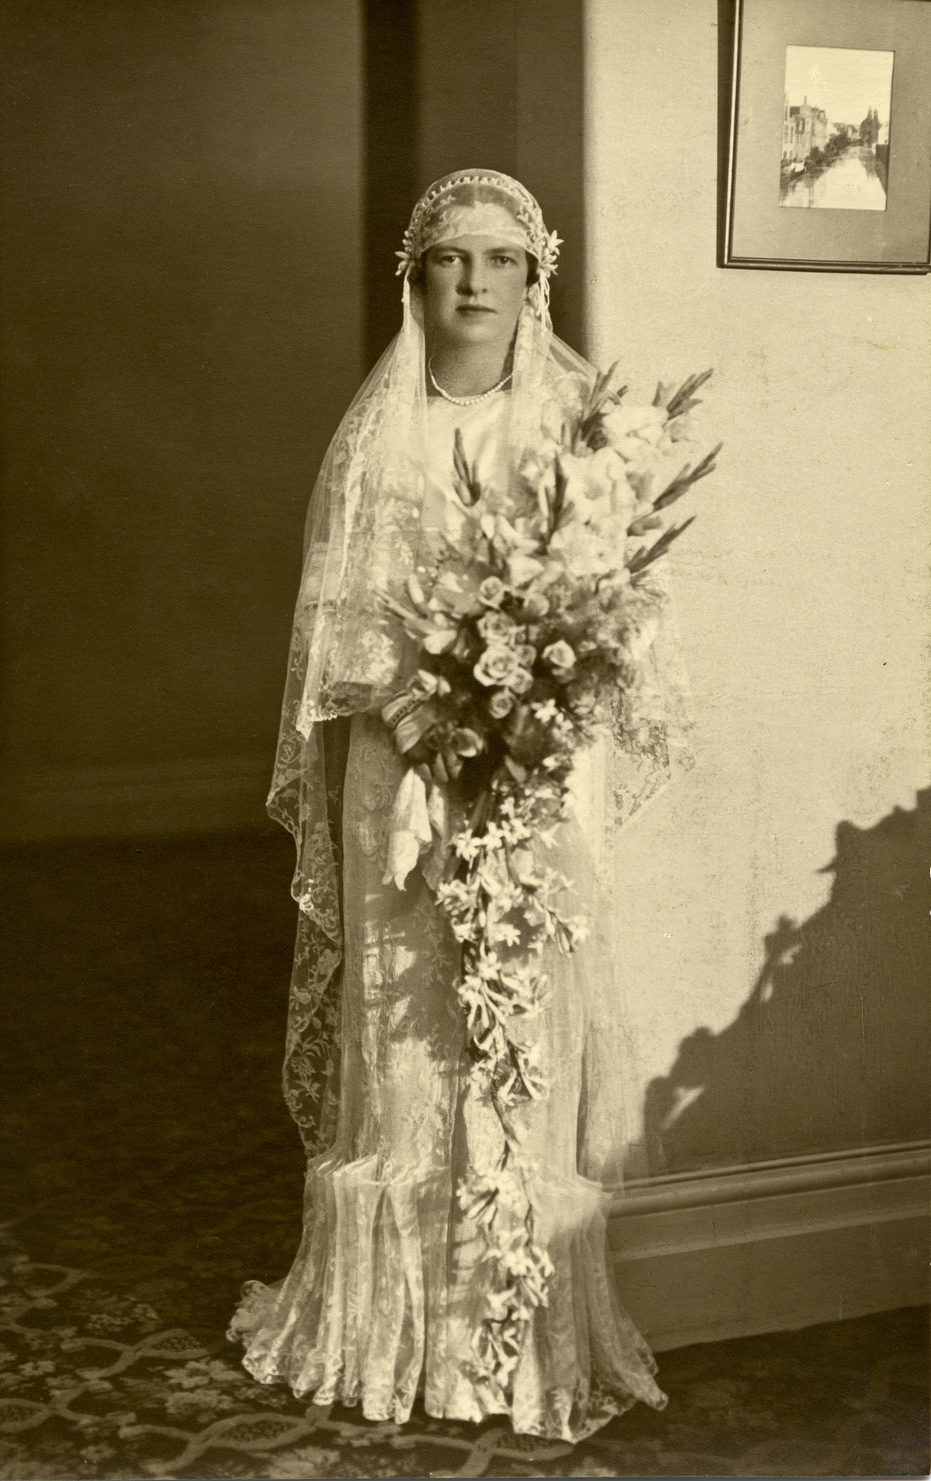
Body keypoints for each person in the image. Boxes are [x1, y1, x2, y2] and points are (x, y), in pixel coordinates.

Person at [229, 169, 688, 1442]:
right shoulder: (380, 435)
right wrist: (429, 717)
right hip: (408, 767)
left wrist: (535, 699)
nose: (474, 281)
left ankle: (518, 1344)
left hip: (534, 770)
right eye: (449, 259)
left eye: (499, 258)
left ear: (535, 278)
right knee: (406, 1032)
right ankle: (399, 1338)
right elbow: (341, 636)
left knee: (524, 1032)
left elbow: (619, 626)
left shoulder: (580, 432)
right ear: (413, 280)